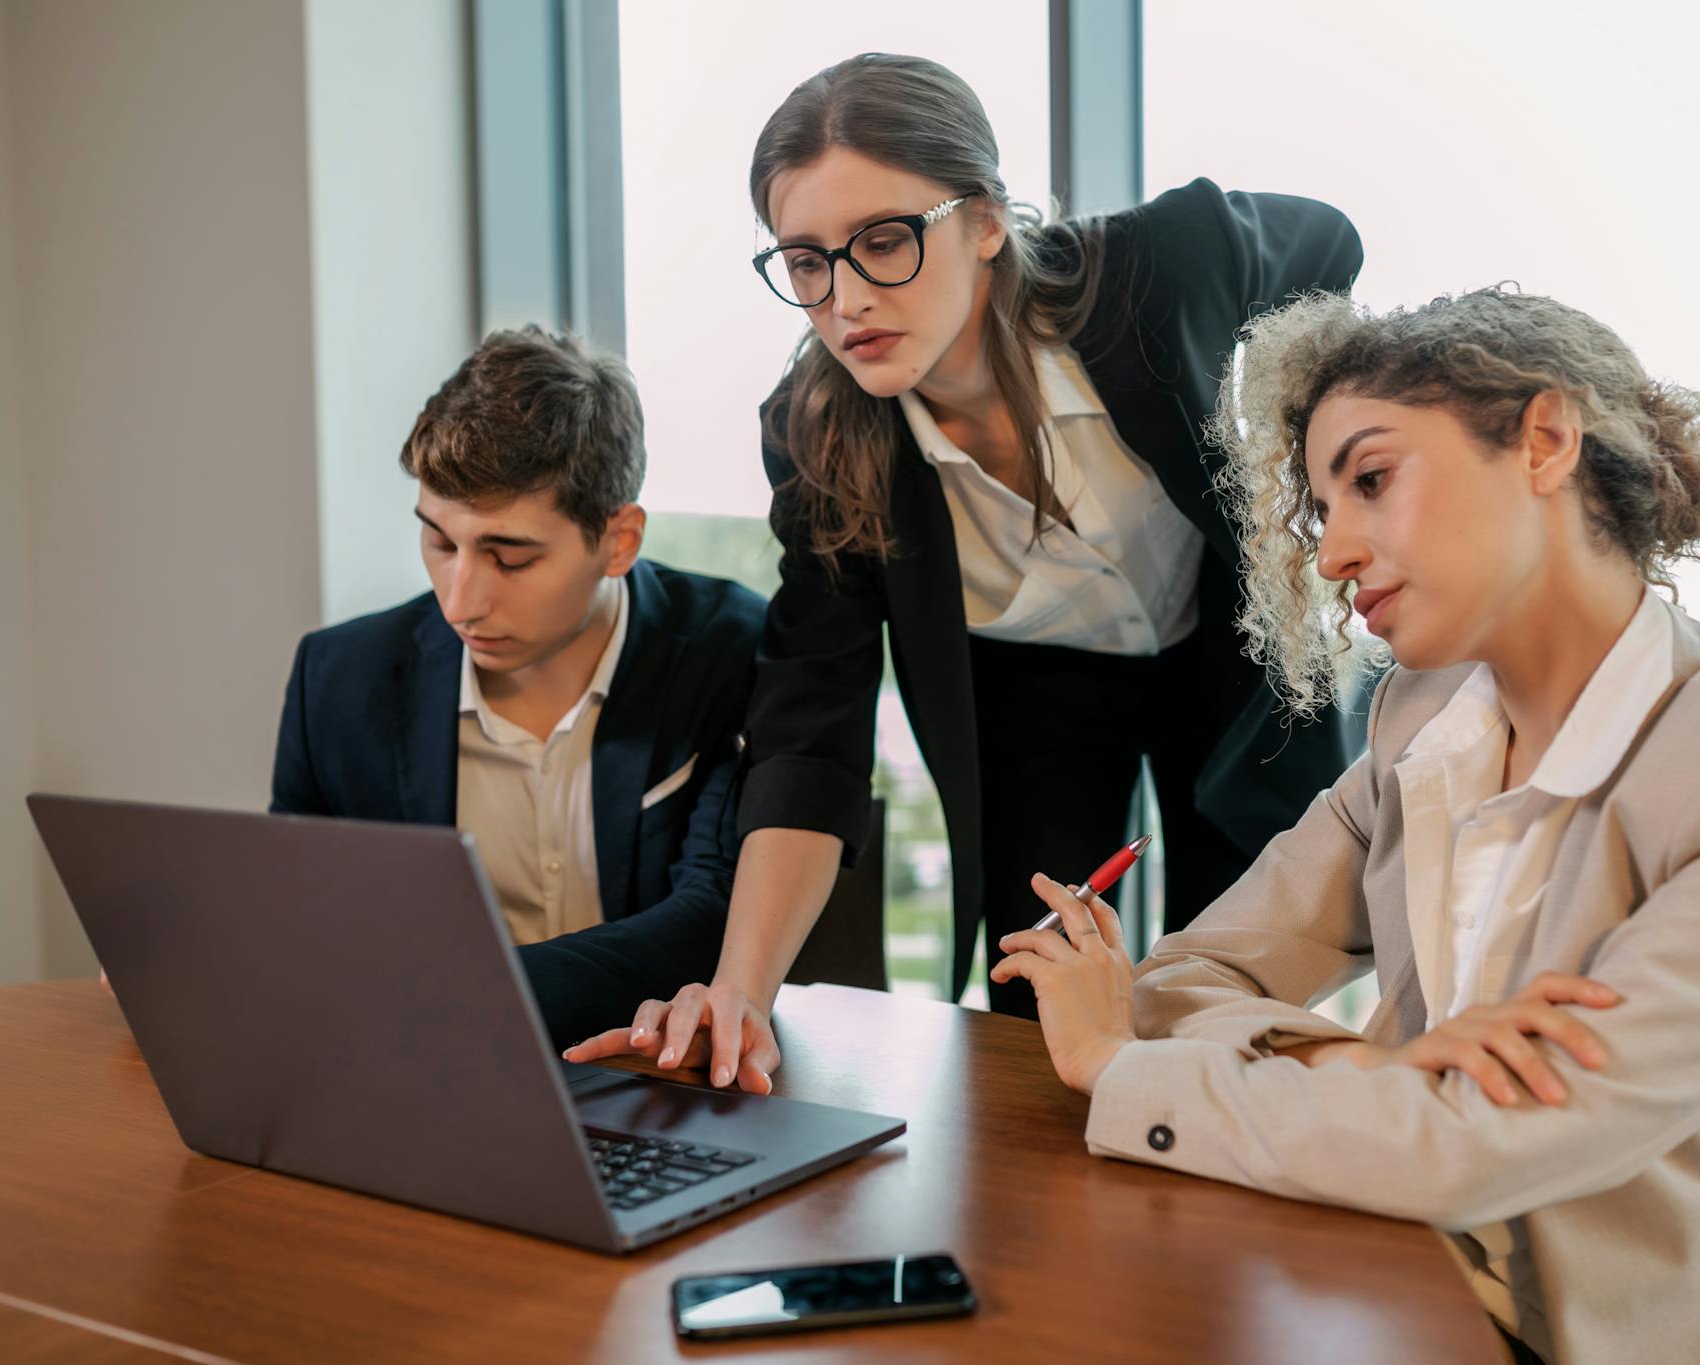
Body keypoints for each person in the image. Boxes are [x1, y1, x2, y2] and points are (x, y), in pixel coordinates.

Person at [989, 287, 1700, 1364]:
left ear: (1544, 440)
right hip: (1440, 1308)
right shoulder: (1417, 723)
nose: (1331, 557)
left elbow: (1481, 1146)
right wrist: (1374, 1074)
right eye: (1322, 513)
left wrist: (1115, 1060)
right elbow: (1189, 978)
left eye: (1371, 480)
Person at [567, 51, 1364, 1087]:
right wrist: (740, 992)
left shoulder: (1159, 266)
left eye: (883, 242)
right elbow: (810, 729)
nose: (844, 299)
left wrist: (1294, 442)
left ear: (985, 222)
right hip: (1033, 701)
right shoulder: (815, 434)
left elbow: (1329, 241)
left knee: (1228, 997)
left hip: (1222, 659)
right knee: (1036, 1003)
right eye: (806, 262)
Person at [268, 325, 765, 1051]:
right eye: (441, 543)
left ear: (619, 540)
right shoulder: (339, 679)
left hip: (661, 1085)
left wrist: (453, 991)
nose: (460, 601)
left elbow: (709, 916)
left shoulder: (732, 651)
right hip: (415, 1084)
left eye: (508, 558)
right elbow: (298, 905)